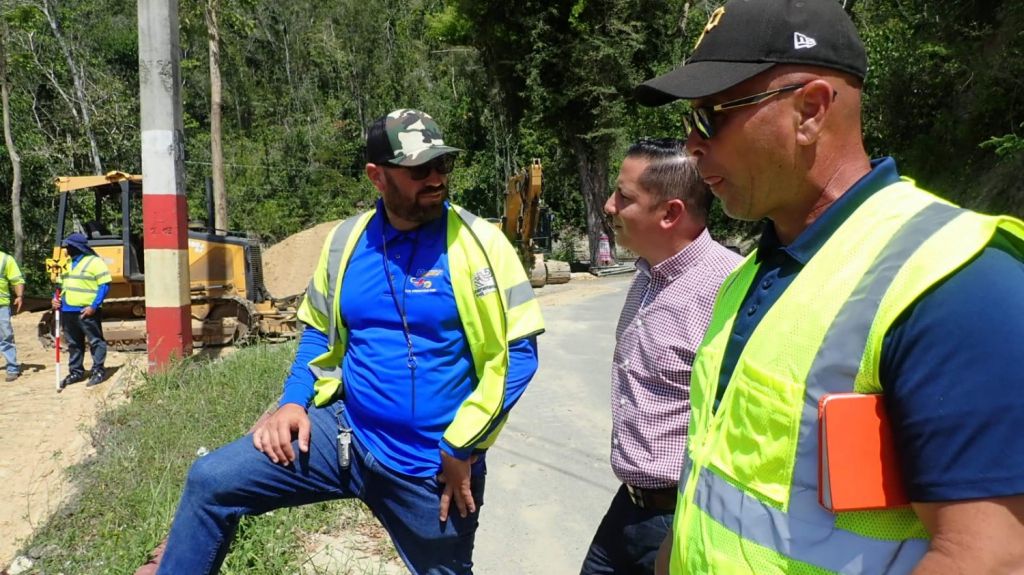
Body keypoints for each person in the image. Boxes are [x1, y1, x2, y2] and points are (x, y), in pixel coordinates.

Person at [632, 0, 1024, 573]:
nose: (692, 145)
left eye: (710, 116)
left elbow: (991, 559)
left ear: (811, 110)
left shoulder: (954, 282)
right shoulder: (752, 273)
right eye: (686, 122)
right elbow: (708, 484)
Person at [154, 109, 545, 575]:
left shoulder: (481, 244)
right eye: (421, 169)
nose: (437, 178)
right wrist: (293, 401)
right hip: (344, 437)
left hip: (431, 469)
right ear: (377, 176)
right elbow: (318, 329)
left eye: (444, 165)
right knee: (211, 482)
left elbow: (519, 353)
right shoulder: (346, 242)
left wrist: (463, 447)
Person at [579, 139, 740, 575]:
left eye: (624, 197)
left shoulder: (729, 289)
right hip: (628, 506)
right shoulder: (648, 273)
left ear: (670, 213)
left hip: (683, 516)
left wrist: (685, 527)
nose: (609, 206)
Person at [52, 232, 111, 389]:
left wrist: (94, 306)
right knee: (73, 343)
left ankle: (98, 370)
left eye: (69, 246)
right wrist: (55, 299)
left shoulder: (95, 262)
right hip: (67, 310)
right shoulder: (66, 264)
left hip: (86, 311)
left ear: (76, 247)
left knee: (95, 341)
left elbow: (104, 285)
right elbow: (60, 286)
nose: (66, 249)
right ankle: (76, 371)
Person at [0, 250, 25, 382]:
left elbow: (16, 279)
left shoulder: (5, 259)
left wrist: (19, 296)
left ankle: (12, 368)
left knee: (5, 337)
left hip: (1, 306)